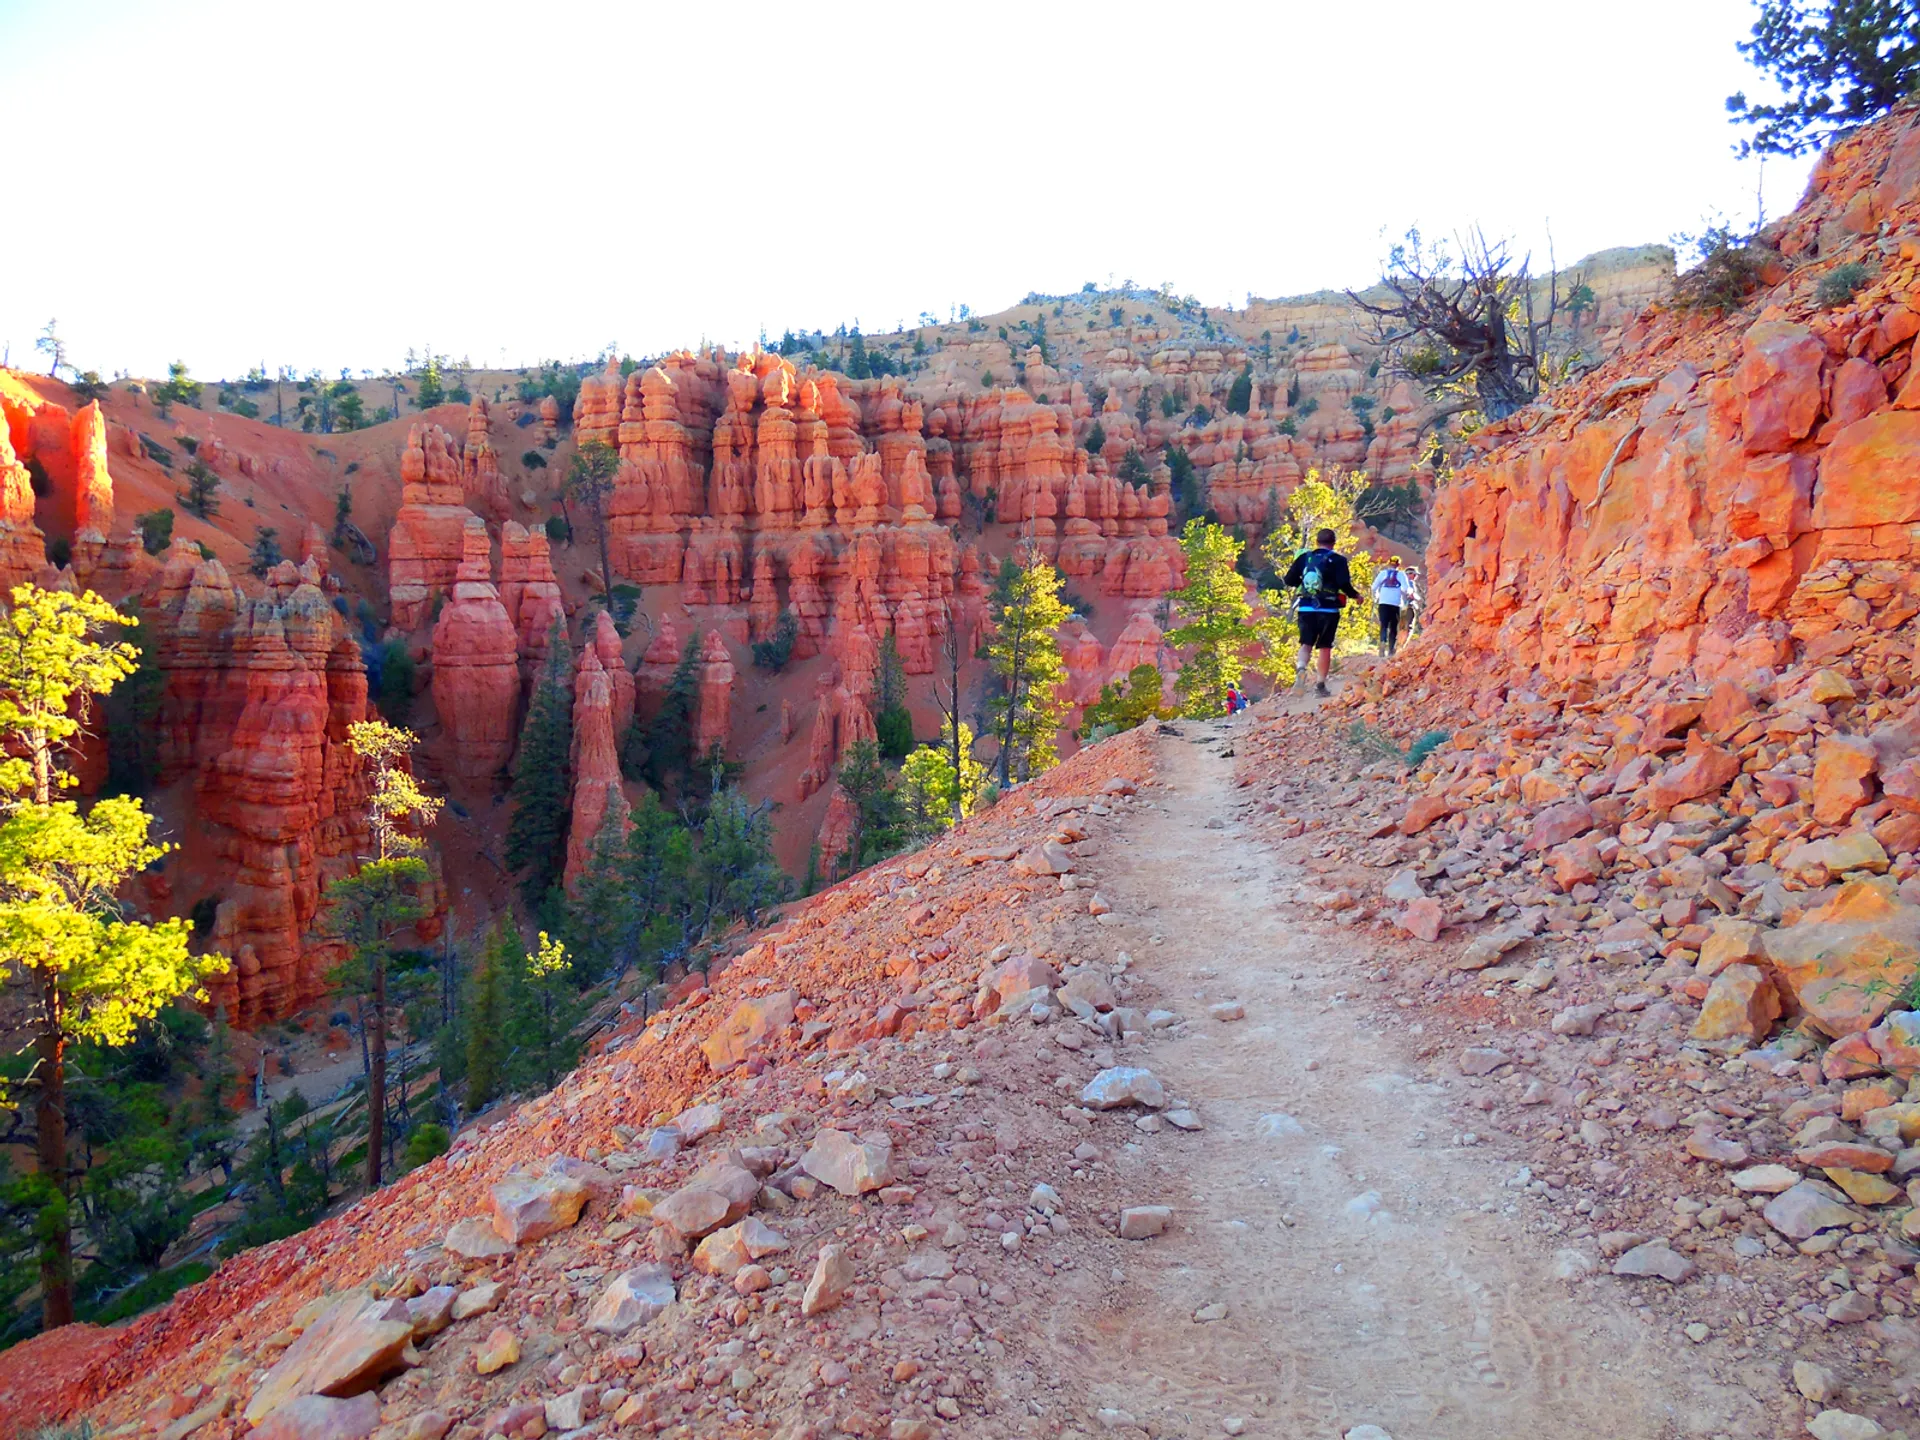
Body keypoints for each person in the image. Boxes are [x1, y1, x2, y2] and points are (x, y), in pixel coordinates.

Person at [1282, 527, 1362, 697]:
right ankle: (1320, 686)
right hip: (1329, 609)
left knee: (1306, 643)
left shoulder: (1305, 557)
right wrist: (1356, 596)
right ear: (1333, 543)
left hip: (1305, 607)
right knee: (1325, 647)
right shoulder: (1338, 560)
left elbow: (1288, 580)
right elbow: (1343, 583)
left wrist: (1303, 583)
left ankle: (1301, 669)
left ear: (1316, 542)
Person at [1372, 554, 1410, 659]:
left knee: (1384, 625)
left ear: (1389, 563)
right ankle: (1391, 650)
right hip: (1396, 603)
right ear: (1399, 564)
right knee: (1393, 627)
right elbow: (1406, 588)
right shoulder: (1401, 575)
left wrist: (1376, 597)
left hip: (1383, 602)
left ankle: (1382, 646)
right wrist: (1405, 594)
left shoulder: (1382, 573)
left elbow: (1374, 586)